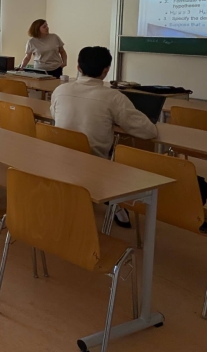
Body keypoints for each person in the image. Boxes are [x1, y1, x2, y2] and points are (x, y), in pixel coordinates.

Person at [50, 47, 158, 228]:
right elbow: (149, 132)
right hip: (95, 166)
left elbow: (54, 115)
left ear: (78, 67)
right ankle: (114, 203)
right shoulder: (113, 97)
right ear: (106, 70)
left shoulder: (60, 90)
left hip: (59, 161)